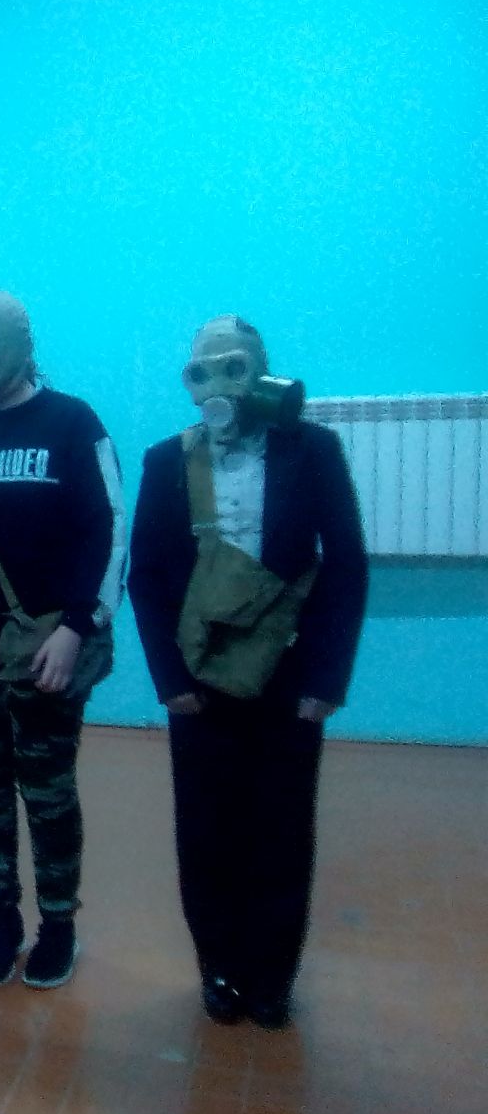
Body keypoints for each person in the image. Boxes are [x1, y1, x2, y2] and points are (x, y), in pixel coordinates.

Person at [128, 314, 367, 1029]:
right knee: (206, 829)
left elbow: (345, 566)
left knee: (282, 827)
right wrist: (170, 681)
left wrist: (325, 682)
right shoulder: (167, 460)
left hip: (289, 675)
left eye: (234, 368)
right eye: (201, 371)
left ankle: (272, 977)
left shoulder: (312, 450)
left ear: (262, 376)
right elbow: (147, 576)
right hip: (199, 677)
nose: (218, 386)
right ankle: (220, 968)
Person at [0, 290, 124, 990]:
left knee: (46, 788)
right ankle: (1, 918)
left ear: (18, 347)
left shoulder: (71, 422)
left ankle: (58, 924)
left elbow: (107, 529)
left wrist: (77, 627)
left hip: (43, 639)